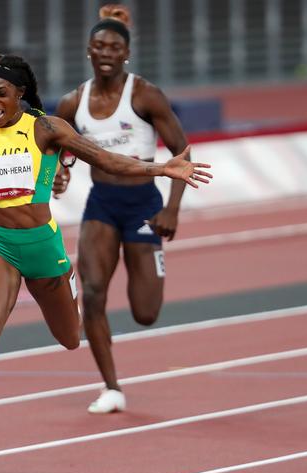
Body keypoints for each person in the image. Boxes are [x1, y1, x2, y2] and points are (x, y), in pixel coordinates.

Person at [0, 53, 212, 471]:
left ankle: (67, 289)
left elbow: (104, 159)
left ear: (21, 94)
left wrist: (162, 168)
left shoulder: (47, 129)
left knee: (70, 337)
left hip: (43, 248)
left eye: (0, 94)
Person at [53, 4, 191, 414]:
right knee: (92, 295)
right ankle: (111, 386)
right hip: (102, 206)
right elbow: (53, 147)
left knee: (146, 313)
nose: (107, 53)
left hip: (144, 206)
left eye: (115, 46)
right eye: (99, 46)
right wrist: (57, 173)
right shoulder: (72, 102)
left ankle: (152, 262)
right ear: (89, 52)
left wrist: (172, 209)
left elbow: (181, 152)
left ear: (126, 53)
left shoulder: (145, 95)